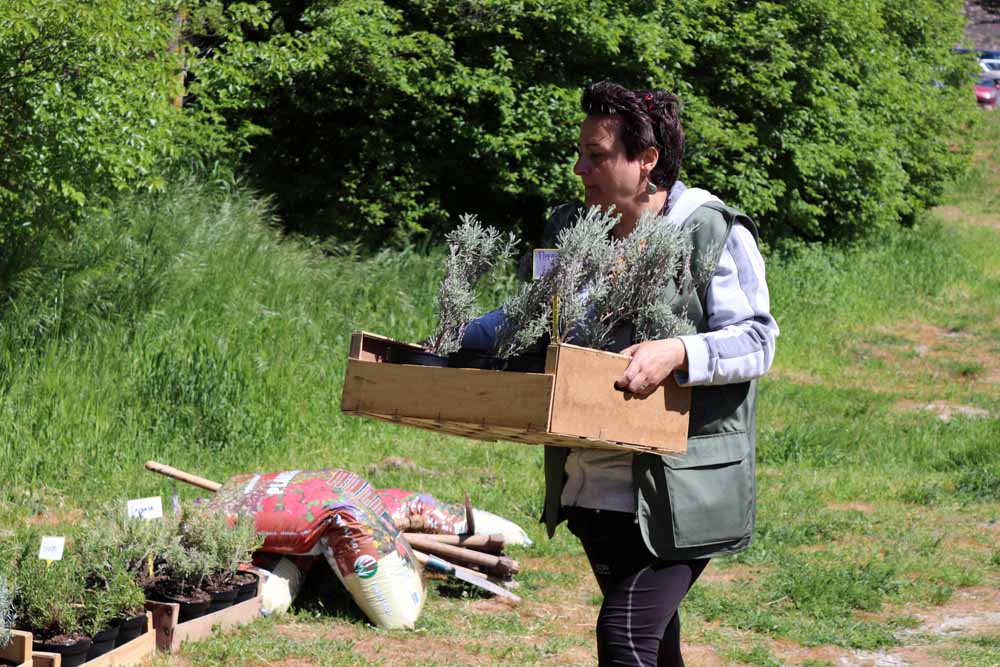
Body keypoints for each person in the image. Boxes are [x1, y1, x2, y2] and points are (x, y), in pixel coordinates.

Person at [538, 81, 779, 666]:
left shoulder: (712, 231)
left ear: (646, 161)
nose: (579, 169)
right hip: (592, 489)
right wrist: (467, 337)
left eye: (596, 155)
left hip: (679, 494)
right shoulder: (575, 231)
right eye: (581, 153)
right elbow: (532, 315)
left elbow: (757, 339)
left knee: (624, 639)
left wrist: (678, 352)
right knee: (651, 647)